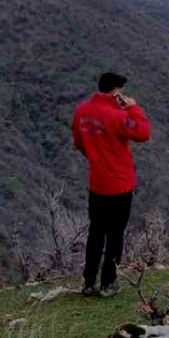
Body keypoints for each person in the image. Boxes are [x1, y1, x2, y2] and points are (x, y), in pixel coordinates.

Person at [72, 72, 152, 298]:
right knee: (115, 234)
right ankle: (108, 283)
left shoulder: (82, 112)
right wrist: (134, 108)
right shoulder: (116, 115)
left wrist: (96, 157)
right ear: (116, 91)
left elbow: (78, 142)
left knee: (95, 232)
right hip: (120, 184)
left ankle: (88, 282)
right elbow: (143, 133)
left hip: (97, 183)